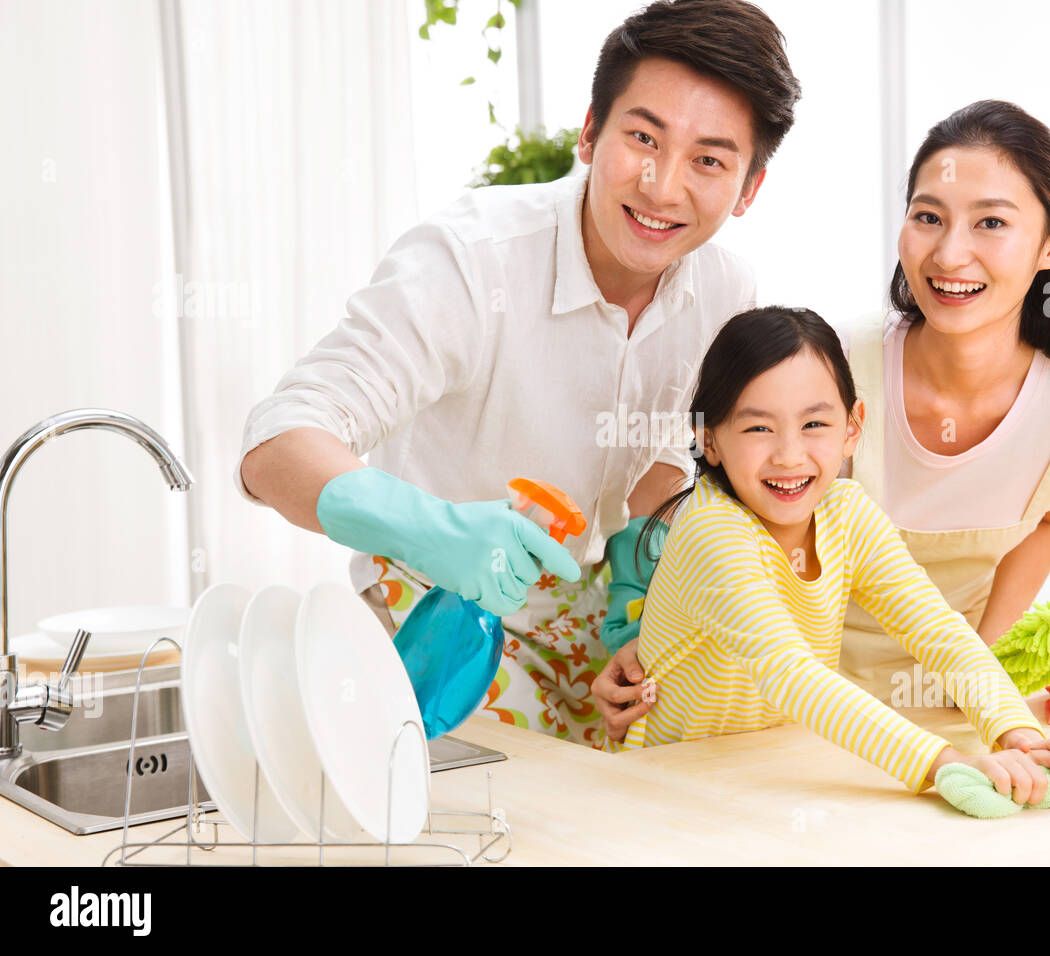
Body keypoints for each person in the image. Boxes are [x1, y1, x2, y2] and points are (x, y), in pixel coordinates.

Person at [235, 0, 801, 748]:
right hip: (436, 621)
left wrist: (645, 610)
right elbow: (276, 444)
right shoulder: (470, 261)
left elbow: (664, 474)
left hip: (595, 631)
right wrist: (432, 529)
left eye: (709, 160)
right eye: (642, 138)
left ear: (749, 186)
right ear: (591, 133)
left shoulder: (726, 293)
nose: (663, 188)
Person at [594, 99, 1050, 734]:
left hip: (957, 704)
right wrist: (663, 644)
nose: (949, 254)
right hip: (779, 708)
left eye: (991, 223)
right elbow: (731, 525)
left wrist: (979, 669)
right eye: (928, 216)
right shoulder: (835, 369)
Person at [612, 305, 1050, 808]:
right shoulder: (711, 531)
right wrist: (945, 764)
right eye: (758, 429)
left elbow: (937, 630)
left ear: (852, 428)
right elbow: (792, 676)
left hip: (776, 779)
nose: (788, 455)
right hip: (669, 787)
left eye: (814, 424)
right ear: (709, 439)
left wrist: (1017, 732)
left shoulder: (847, 513)